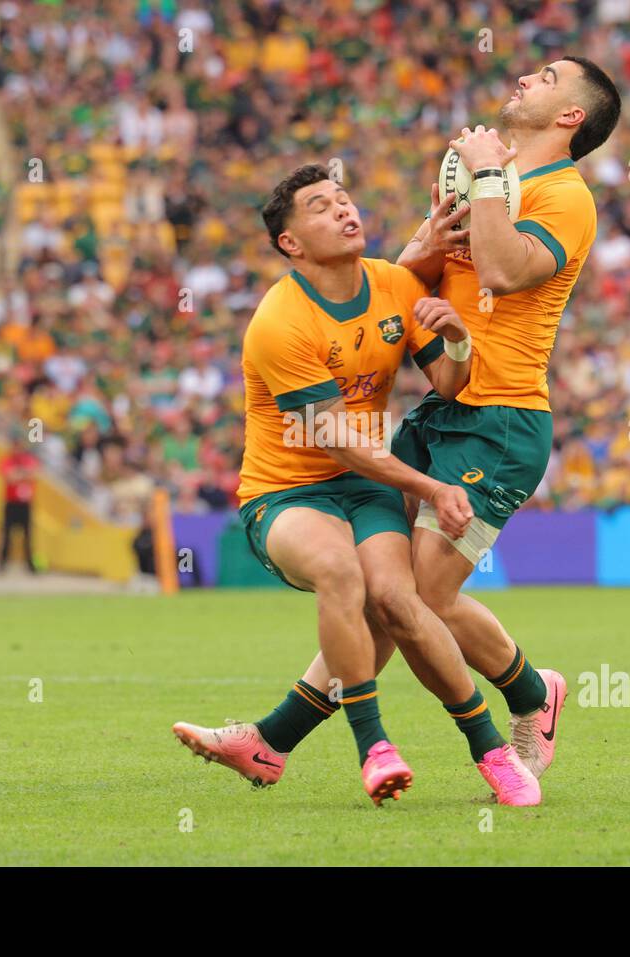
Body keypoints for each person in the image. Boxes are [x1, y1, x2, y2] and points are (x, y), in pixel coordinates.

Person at [173, 164, 542, 806]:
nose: (344, 211)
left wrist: (456, 340)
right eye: (320, 207)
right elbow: (335, 440)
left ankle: (491, 754)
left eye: (345, 200)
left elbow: (450, 387)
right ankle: (374, 747)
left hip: (365, 487)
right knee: (342, 574)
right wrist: (429, 489)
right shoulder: (279, 322)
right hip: (285, 494)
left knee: (401, 603)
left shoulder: (395, 285)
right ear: (290, 242)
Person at [389, 57, 621, 777]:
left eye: (548, 77)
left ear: (570, 116)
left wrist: (489, 175)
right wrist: (426, 240)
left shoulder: (565, 195)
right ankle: (289, 733)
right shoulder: (474, 178)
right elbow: (407, 277)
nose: (525, 78)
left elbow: (503, 270)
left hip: (504, 417)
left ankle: (528, 697)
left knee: (422, 596)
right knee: (380, 583)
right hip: (441, 406)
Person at [0, 434, 39, 574]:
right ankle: (2, 563)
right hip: (11, 503)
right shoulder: (7, 461)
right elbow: (9, 478)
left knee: (28, 536)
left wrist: (19, 474)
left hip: (25, 504)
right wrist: (22, 474)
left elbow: (32, 475)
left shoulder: (28, 460)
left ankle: (30, 565)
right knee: (6, 535)